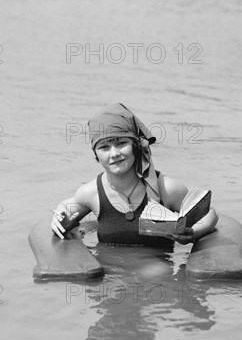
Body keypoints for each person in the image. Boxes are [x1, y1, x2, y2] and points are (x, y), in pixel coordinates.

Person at [51, 103, 218, 247]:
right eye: (104, 147)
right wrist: (60, 215)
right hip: (109, 279)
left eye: (122, 143)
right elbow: (69, 206)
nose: (114, 153)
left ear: (136, 147)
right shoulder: (91, 192)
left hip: (157, 280)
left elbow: (210, 214)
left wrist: (193, 233)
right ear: (95, 154)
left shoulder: (166, 188)